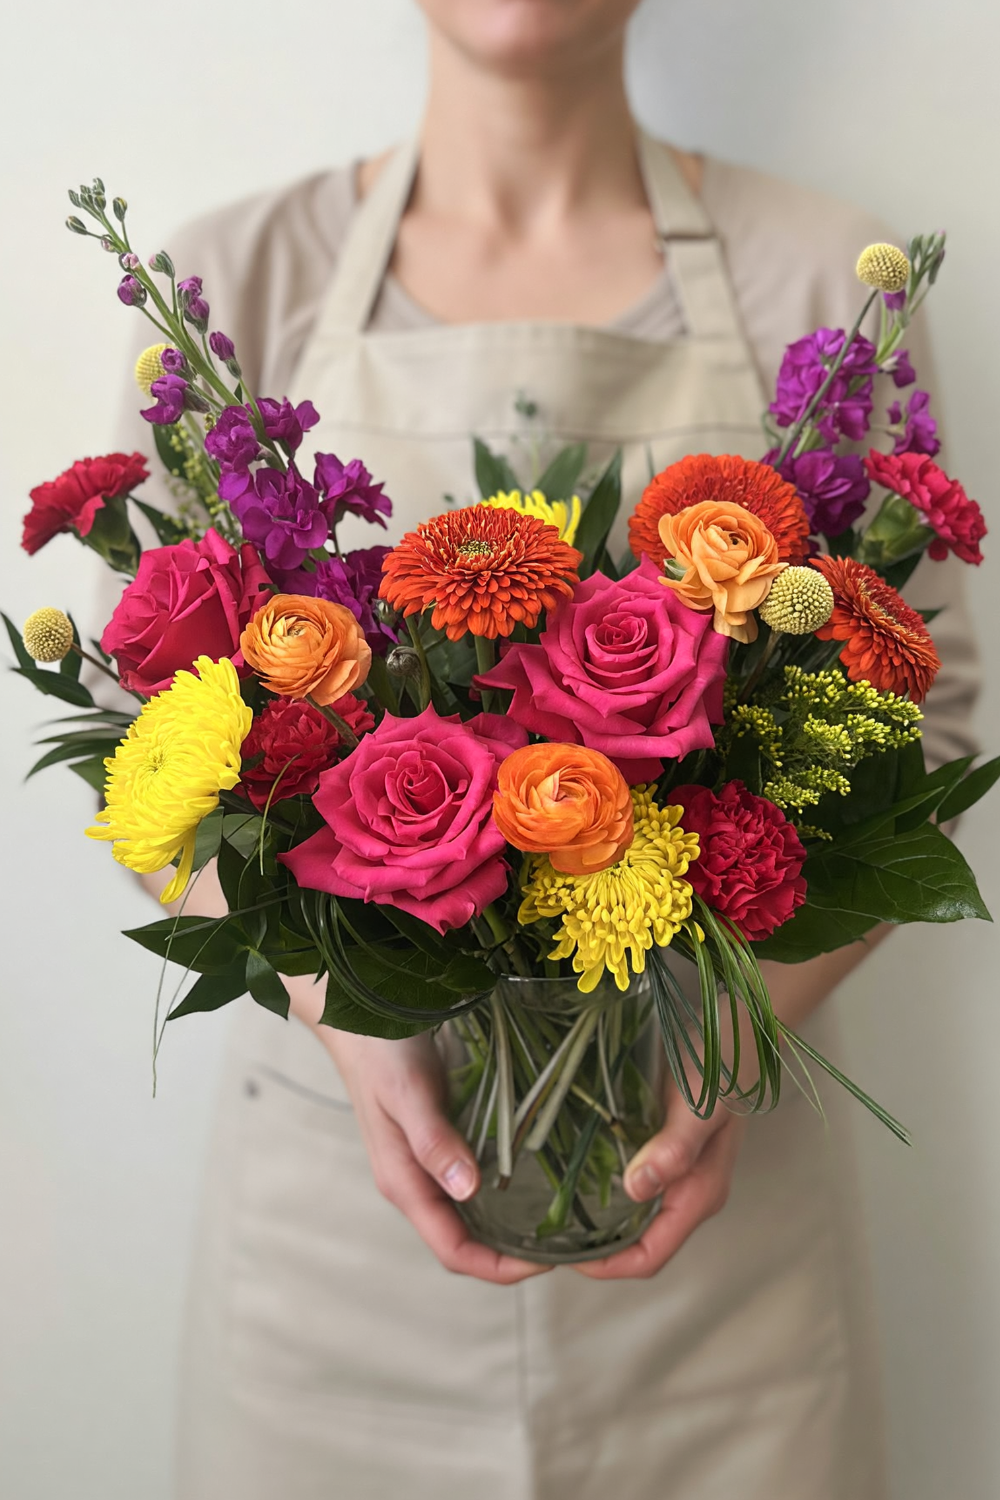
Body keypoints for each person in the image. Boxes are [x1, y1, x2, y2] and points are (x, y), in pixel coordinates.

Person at [114, 0, 979, 1494]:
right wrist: (350, 1019)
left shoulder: (826, 278)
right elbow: (157, 763)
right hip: (331, 1262)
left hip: (723, 1256)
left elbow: (927, 731)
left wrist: (722, 1042)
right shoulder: (236, 281)